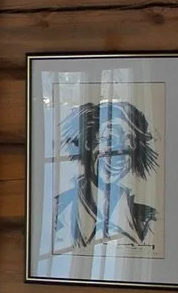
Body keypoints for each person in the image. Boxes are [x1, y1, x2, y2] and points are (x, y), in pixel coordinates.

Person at [48, 97, 159, 253]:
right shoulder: (54, 212)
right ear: (89, 143)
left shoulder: (149, 221)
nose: (119, 151)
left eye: (129, 142)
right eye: (110, 138)